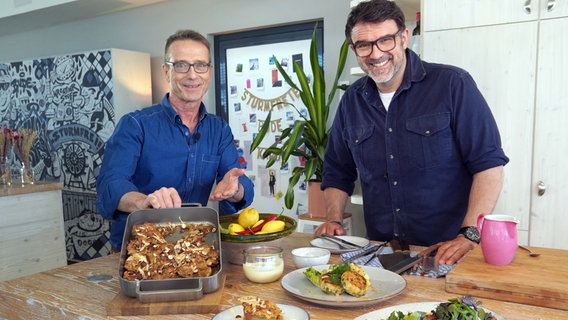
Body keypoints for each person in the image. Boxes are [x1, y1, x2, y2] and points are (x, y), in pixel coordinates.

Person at [315, 0, 509, 266]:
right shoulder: (351, 101)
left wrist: (469, 234)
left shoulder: (453, 84)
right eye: (364, 45)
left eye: (385, 40)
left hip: (449, 251)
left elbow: (489, 165)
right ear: (353, 49)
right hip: (383, 254)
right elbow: (338, 170)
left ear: (404, 37)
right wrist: (334, 219)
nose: (376, 54)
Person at [96, 29, 254, 252]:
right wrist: (145, 201)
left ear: (209, 72)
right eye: (181, 65)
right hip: (137, 249)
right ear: (166, 71)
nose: (192, 75)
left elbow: (239, 185)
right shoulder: (135, 125)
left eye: (200, 65)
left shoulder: (218, 129)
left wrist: (235, 189)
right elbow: (109, 186)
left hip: (194, 247)